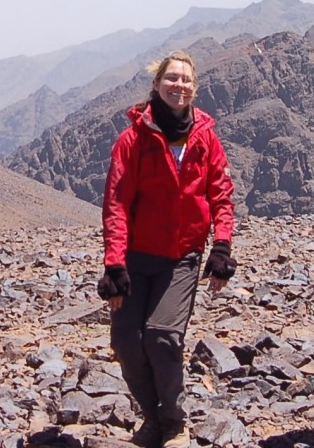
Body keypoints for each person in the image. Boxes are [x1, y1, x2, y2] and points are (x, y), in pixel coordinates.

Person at [97, 50, 238, 448]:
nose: (179, 85)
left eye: (186, 80)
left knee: (162, 336)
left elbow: (221, 196)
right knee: (125, 341)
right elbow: (116, 204)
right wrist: (114, 264)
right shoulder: (132, 140)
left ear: (195, 88)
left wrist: (222, 246)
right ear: (156, 84)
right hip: (137, 258)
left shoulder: (205, 137)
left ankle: (174, 423)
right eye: (171, 78)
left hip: (182, 257)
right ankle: (152, 417)